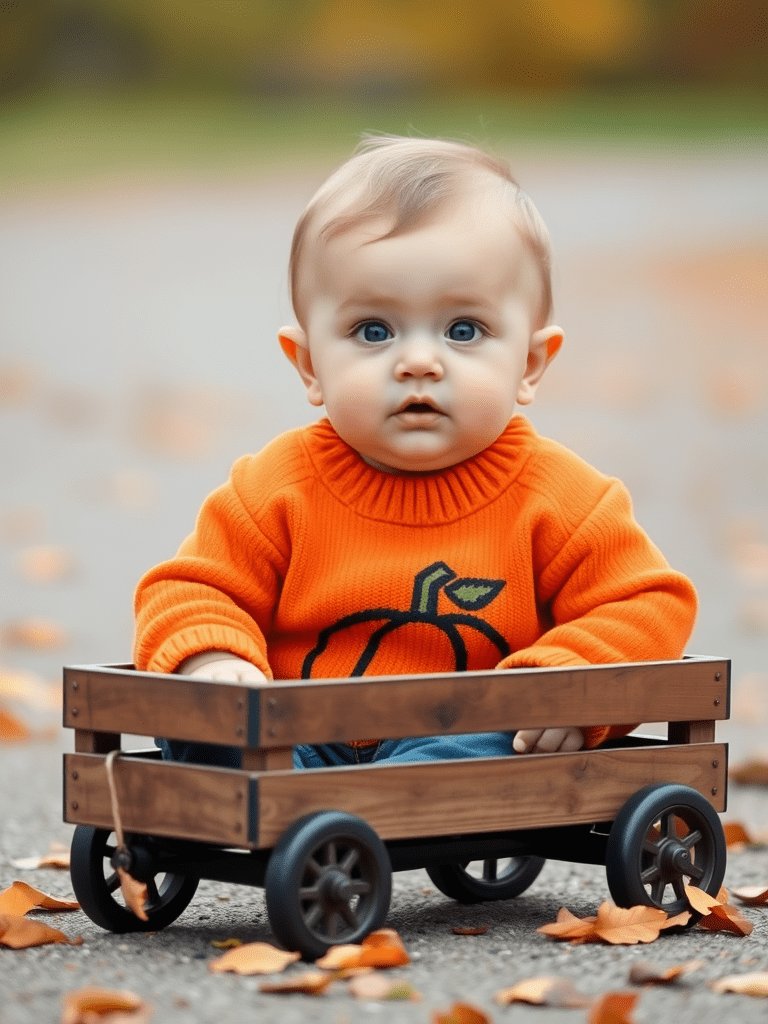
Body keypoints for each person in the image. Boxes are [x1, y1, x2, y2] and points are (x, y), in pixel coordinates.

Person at [134, 134, 697, 769]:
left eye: (465, 330)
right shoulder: (273, 487)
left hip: (466, 733)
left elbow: (646, 604)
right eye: (373, 331)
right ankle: (286, 793)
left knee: (480, 747)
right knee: (209, 730)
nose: (420, 362)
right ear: (310, 364)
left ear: (531, 363)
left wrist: (563, 681)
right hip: (299, 733)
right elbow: (188, 588)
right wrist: (215, 657)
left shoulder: (565, 499)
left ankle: (375, 805)